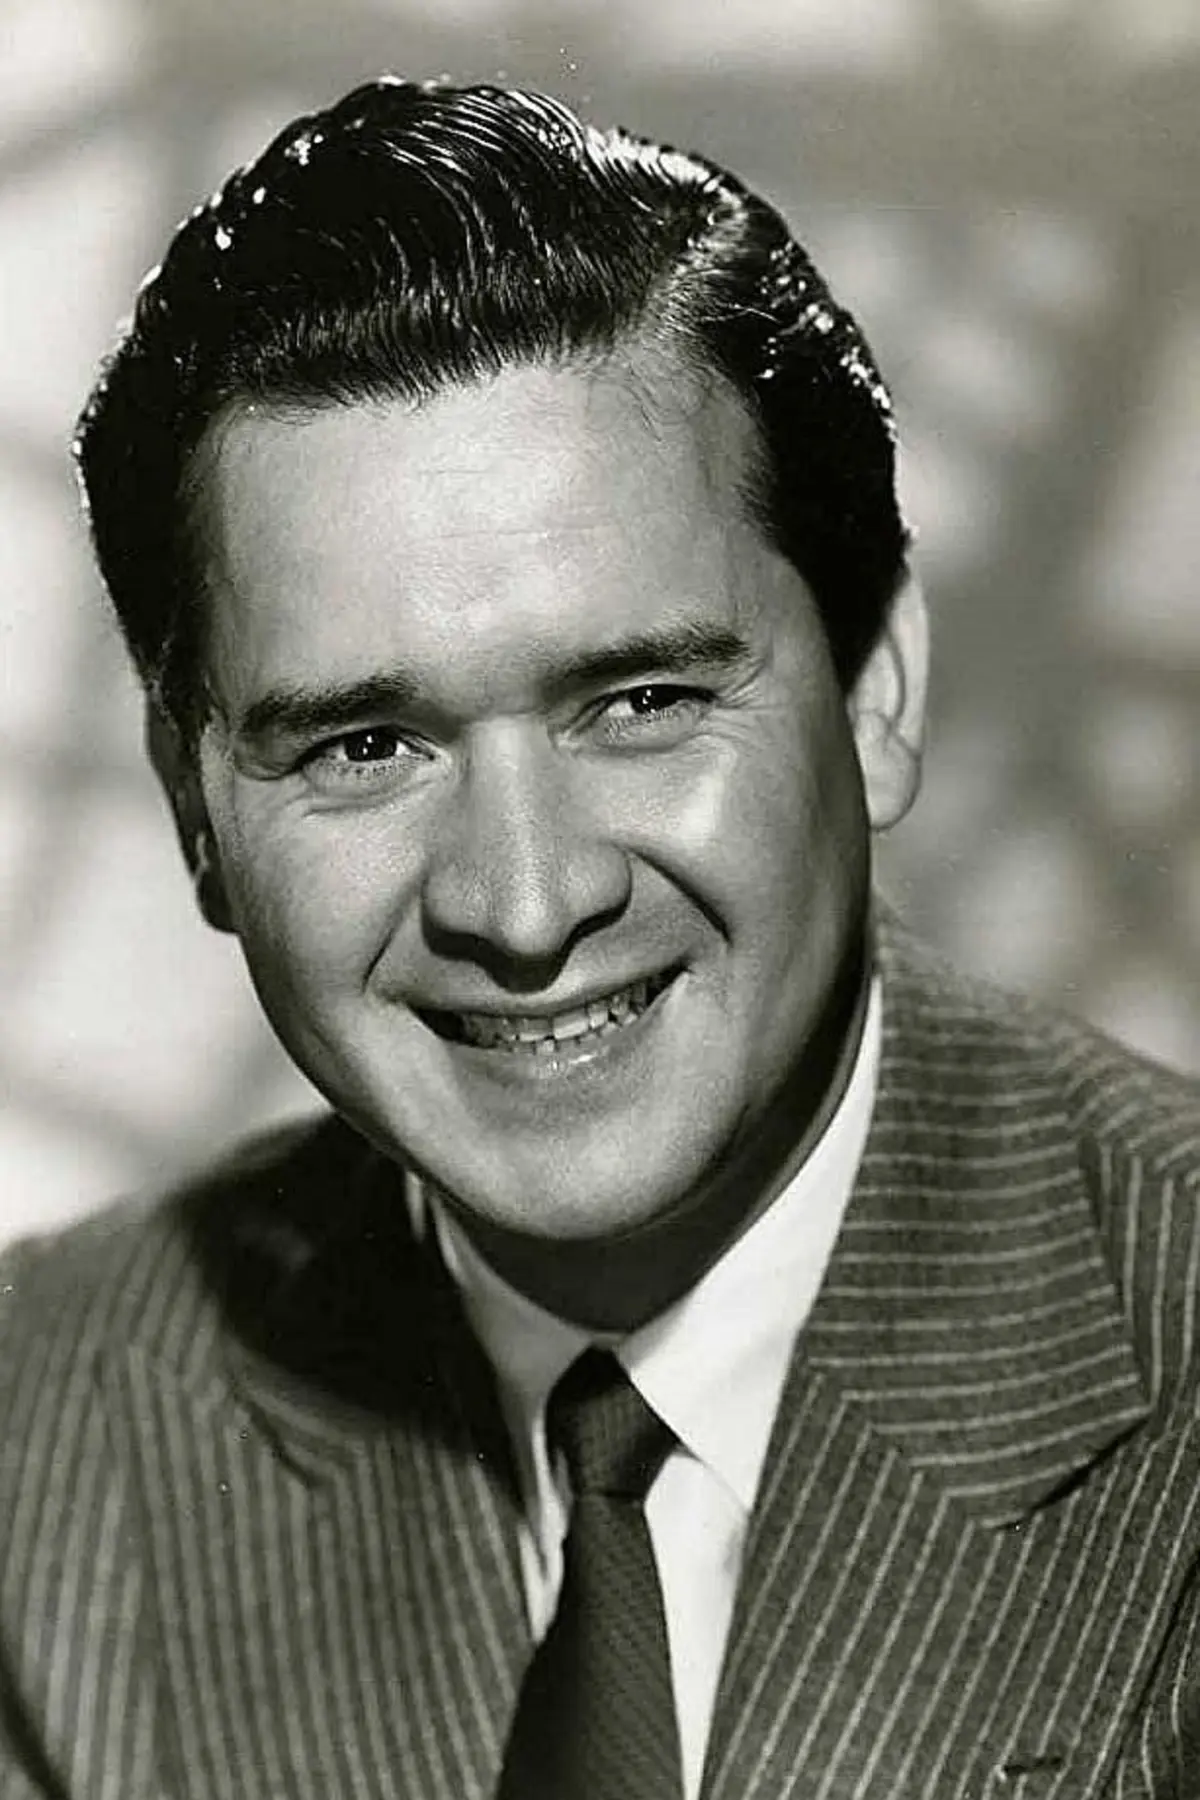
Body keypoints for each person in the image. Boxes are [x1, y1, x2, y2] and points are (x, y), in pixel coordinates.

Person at [2, 75, 1199, 1800]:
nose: (524, 904)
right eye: (364, 747)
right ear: (195, 809)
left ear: (877, 686)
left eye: (639, 701)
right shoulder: (42, 1439)